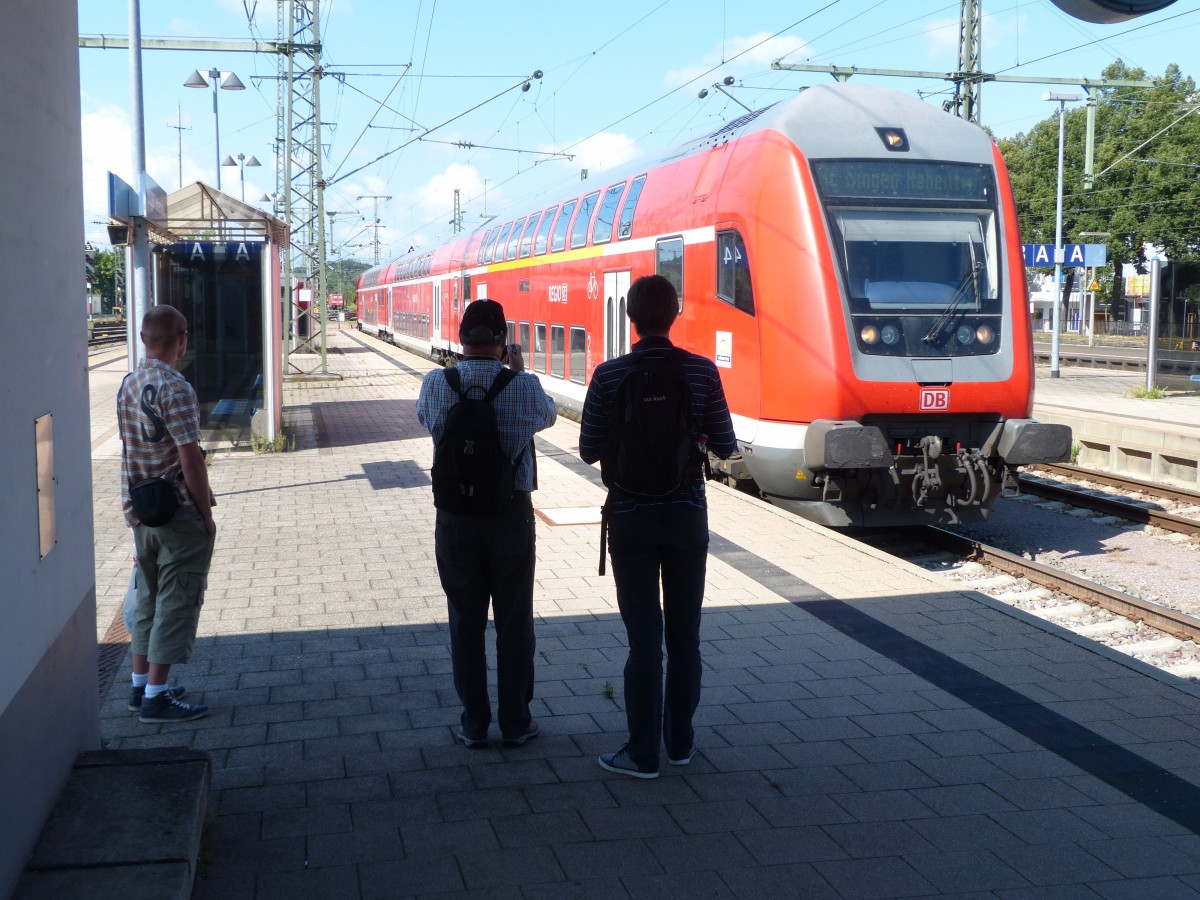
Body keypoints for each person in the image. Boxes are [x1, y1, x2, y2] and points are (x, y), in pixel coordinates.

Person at [579, 274, 736, 779]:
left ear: (630, 317)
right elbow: (727, 445)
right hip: (687, 516)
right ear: (674, 314)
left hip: (629, 518)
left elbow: (587, 450)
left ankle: (643, 753)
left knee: (644, 640)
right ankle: (680, 744)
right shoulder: (702, 372)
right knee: (685, 636)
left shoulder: (608, 376)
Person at [417, 299, 557, 748]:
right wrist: (518, 371)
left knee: (465, 620)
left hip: (455, 518)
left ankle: (474, 725)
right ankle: (516, 723)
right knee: (514, 621)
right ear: (503, 340)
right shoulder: (524, 386)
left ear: (461, 339)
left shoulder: (436, 383)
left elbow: (427, 421)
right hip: (509, 516)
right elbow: (549, 414)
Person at [117, 304, 217, 723]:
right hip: (176, 512)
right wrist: (205, 513)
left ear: (143, 339)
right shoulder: (177, 387)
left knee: (148, 600)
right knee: (176, 602)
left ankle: (140, 687)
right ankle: (157, 697)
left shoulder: (128, 383)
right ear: (183, 339)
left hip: (141, 511)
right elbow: (190, 460)